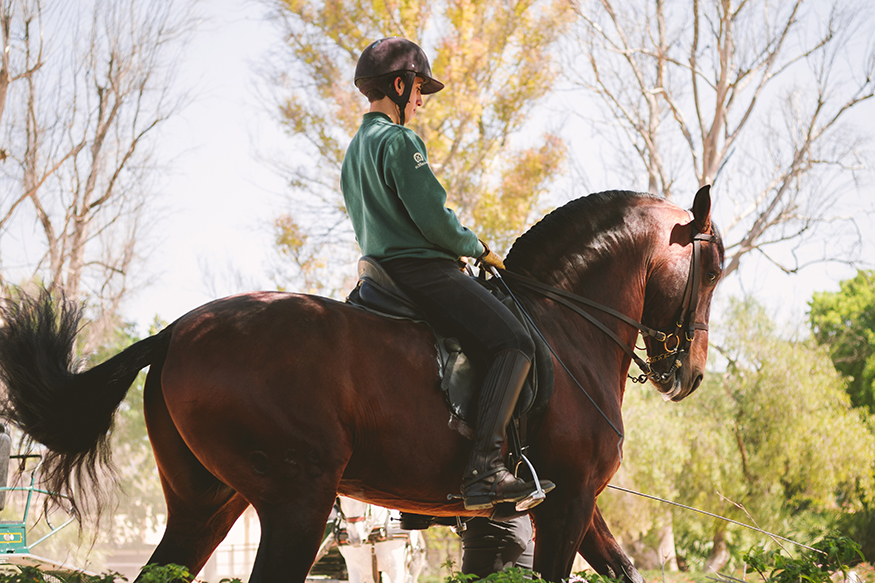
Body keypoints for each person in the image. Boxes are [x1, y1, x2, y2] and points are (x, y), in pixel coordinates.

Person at [340, 37, 554, 511]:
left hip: (378, 273)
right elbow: (434, 218)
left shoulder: (354, 150)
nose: (419, 102)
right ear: (399, 85)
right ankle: (486, 468)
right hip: (421, 270)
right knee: (515, 341)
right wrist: (476, 245)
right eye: (418, 90)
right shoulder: (398, 141)